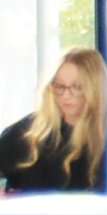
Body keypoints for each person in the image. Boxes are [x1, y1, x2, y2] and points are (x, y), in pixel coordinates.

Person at [0, 45, 100, 190]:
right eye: (59, 86)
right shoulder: (25, 133)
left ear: (95, 89)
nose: (66, 95)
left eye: (77, 87)